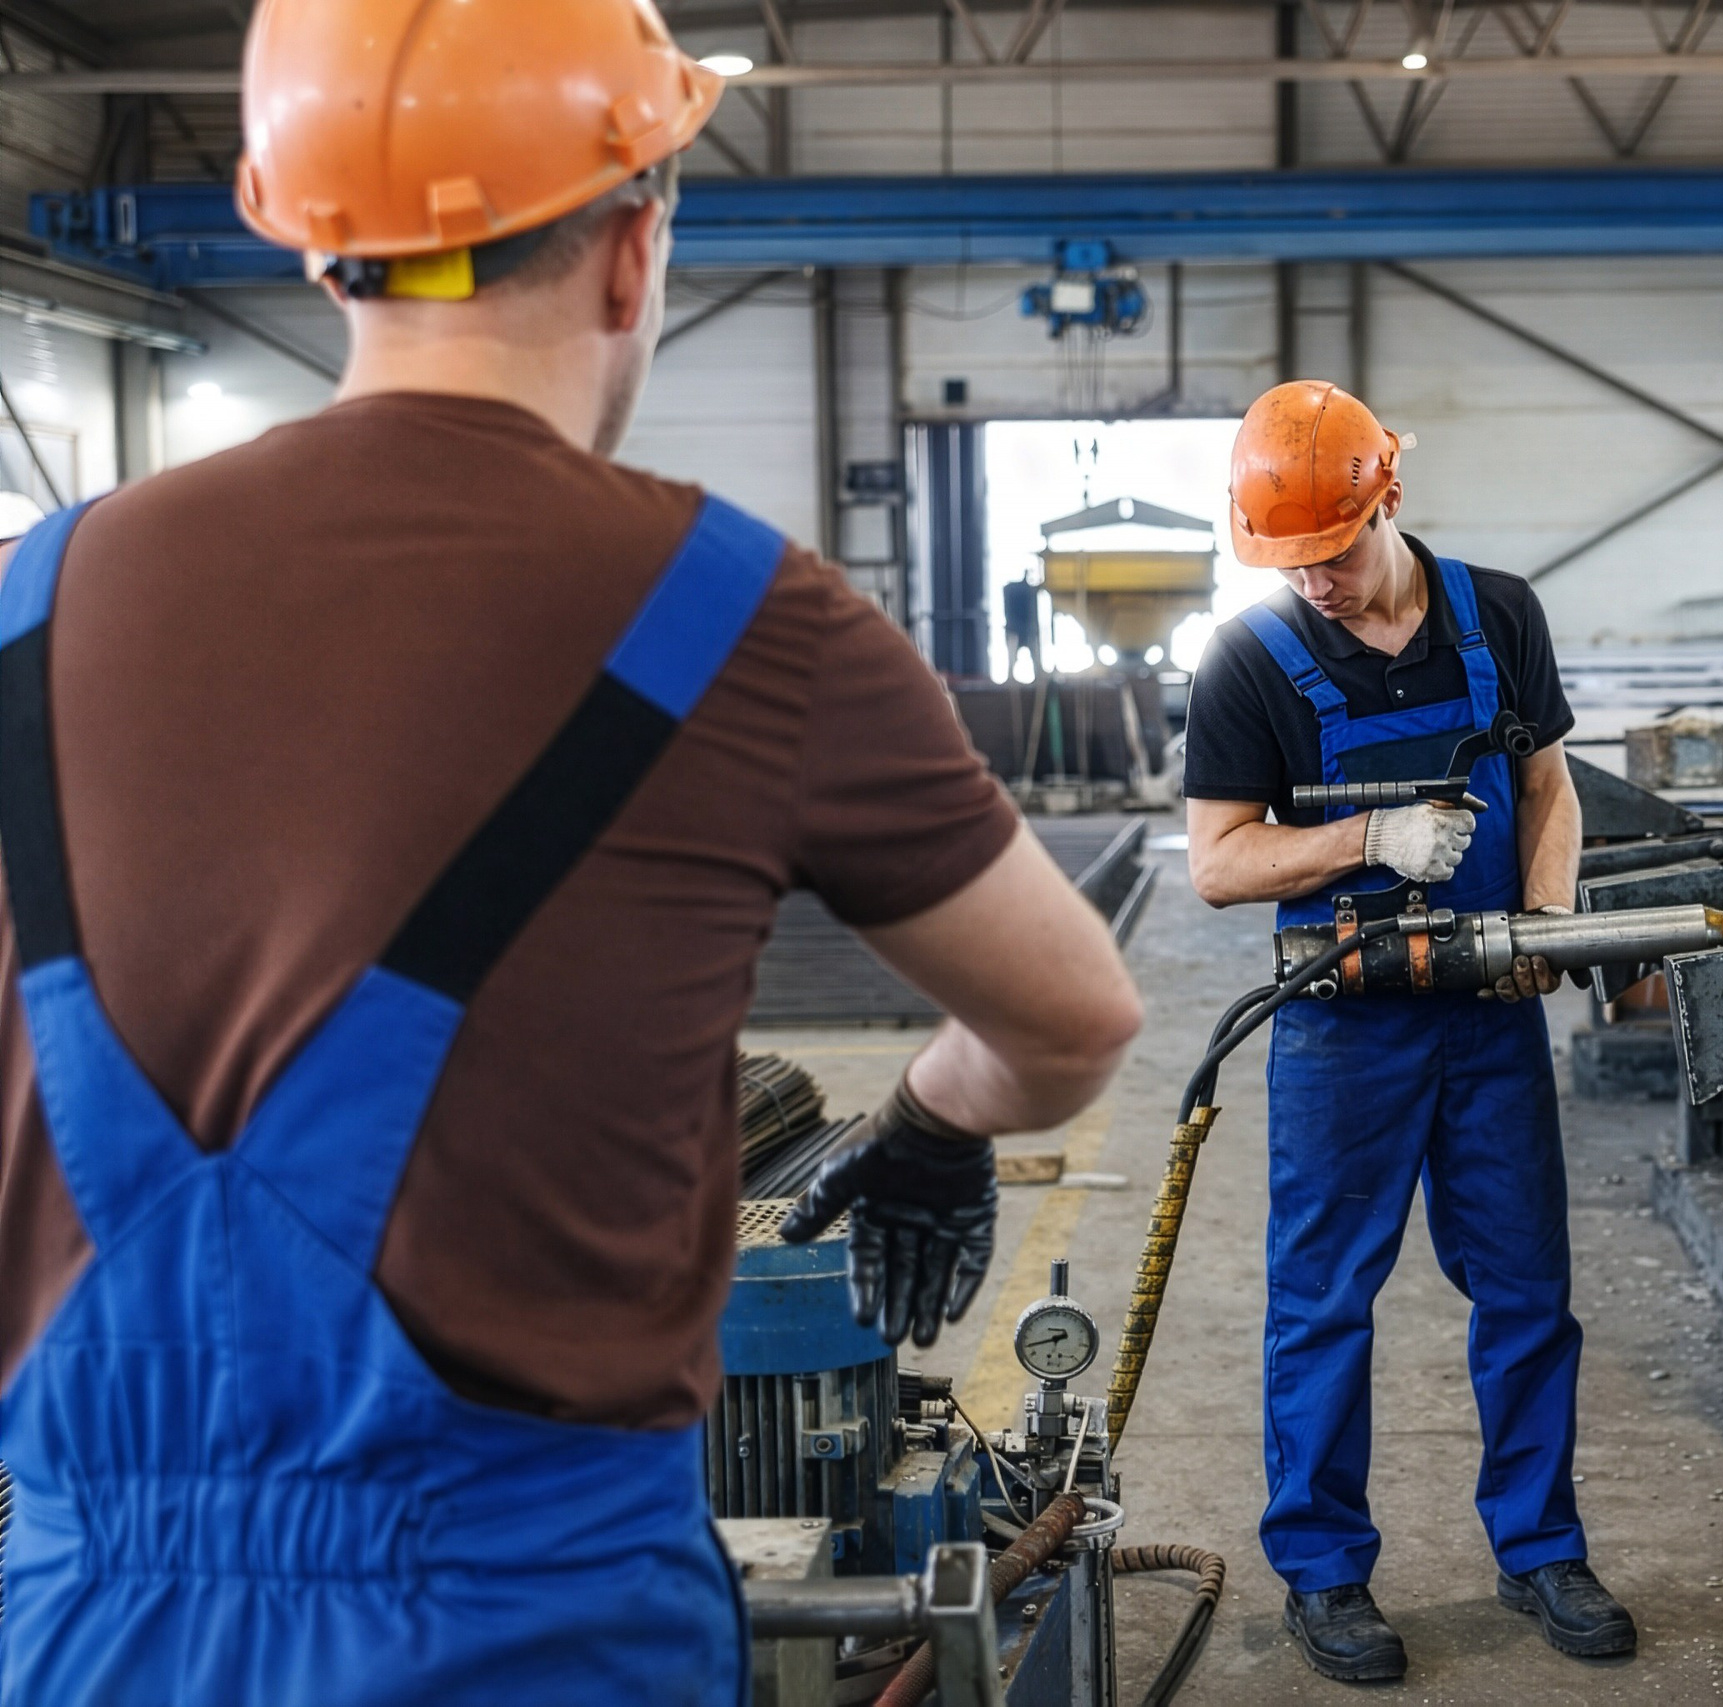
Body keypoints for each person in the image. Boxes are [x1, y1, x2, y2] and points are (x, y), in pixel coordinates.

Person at [0, 3, 1143, 1702]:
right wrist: (930, 1120)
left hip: (81, 1622)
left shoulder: (27, 603)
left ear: (326, 260)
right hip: (522, 1628)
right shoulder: (746, 618)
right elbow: (1074, 1021)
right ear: (633, 247)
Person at [1184, 380, 1635, 1683]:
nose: (1311, 580)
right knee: (1323, 1304)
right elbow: (1215, 863)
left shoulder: (1499, 615)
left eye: (1329, 549)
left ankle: (1542, 1545)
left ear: (1390, 496)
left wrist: (1543, 924)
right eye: (1284, 558)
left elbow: (1547, 785)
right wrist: (1366, 837)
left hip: (1488, 1018)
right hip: (1343, 1029)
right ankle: (1324, 1572)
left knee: (1526, 1294)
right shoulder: (1250, 664)